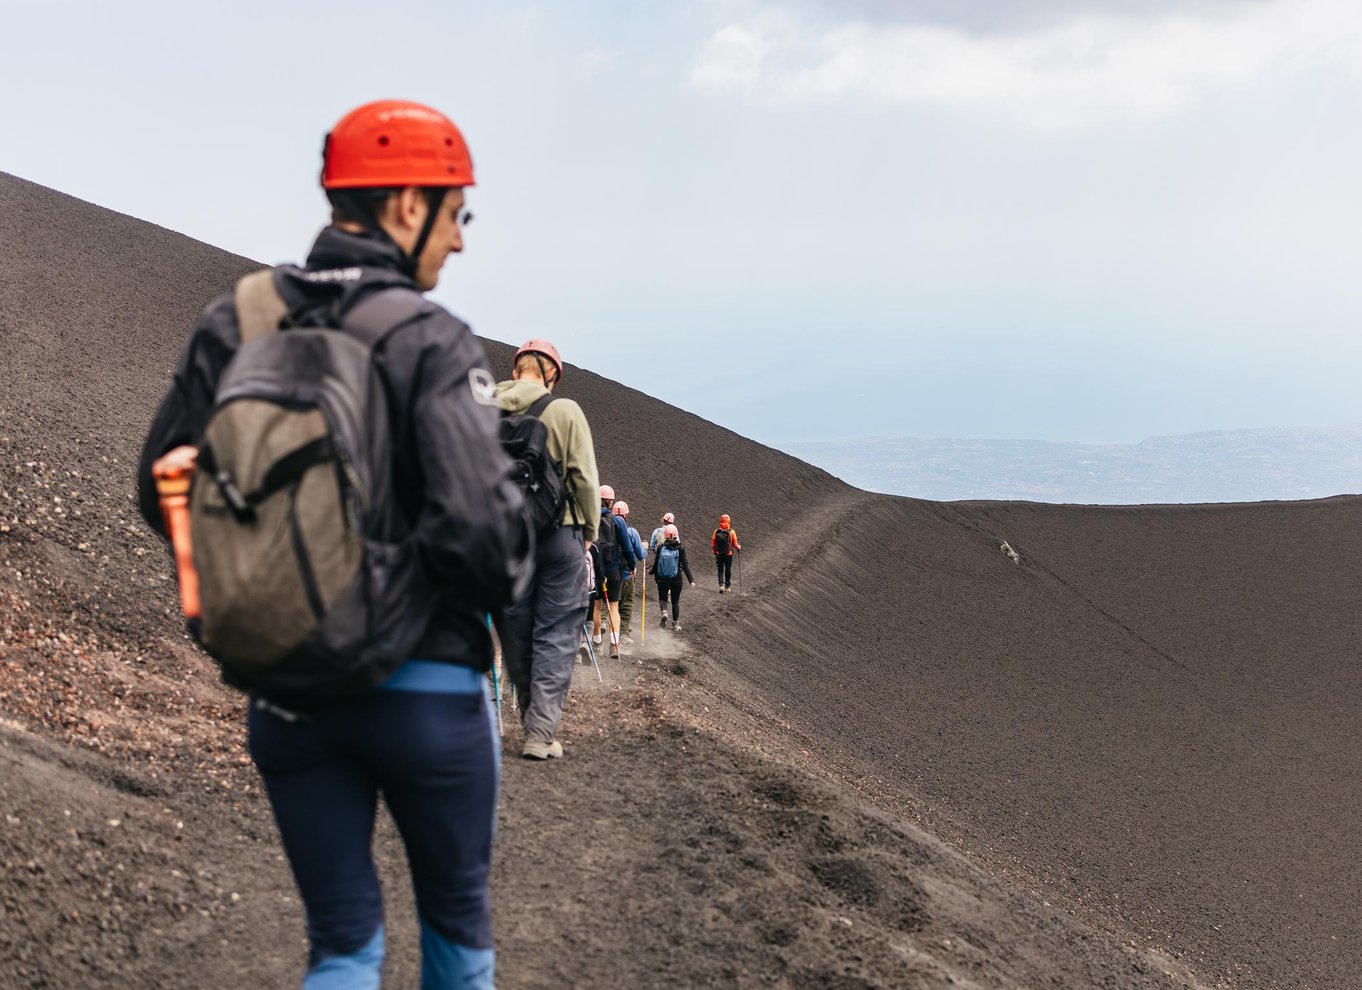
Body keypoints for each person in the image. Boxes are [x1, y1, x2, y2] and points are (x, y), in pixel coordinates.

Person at [136, 100, 529, 988]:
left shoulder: (235, 321)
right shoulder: (431, 339)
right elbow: (482, 542)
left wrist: (282, 575)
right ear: (404, 206)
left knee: (343, 947)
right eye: (456, 212)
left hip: (285, 691)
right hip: (428, 691)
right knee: (457, 943)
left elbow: (159, 488)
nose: (459, 240)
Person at [496, 338, 600, 759]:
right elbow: (584, 478)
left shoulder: (486, 404)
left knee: (517, 629)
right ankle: (539, 734)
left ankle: (527, 720)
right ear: (552, 374)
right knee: (556, 631)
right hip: (561, 535)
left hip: (505, 538)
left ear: (517, 367)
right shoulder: (564, 410)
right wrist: (589, 529)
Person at [592, 485, 636, 658]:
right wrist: (632, 564)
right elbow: (627, 547)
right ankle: (614, 645)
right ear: (610, 502)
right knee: (614, 607)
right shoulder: (617, 521)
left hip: (596, 570)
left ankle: (597, 644)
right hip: (614, 569)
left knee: (596, 606)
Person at [649, 524, 696, 632]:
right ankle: (675, 624)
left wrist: (652, 572)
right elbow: (685, 564)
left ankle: (664, 612)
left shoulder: (661, 547)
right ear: (676, 535)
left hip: (662, 578)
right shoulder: (681, 548)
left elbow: (656, 564)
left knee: (663, 598)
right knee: (675, 601)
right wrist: (691, 580)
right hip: (676, 579)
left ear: (665, 536)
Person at [612, 501, 647, 644]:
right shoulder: (632, 532)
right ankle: (624, 634)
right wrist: (644, 548)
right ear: (626, 515)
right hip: (627, 575)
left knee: (611, 604)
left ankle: (607, 632)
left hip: (610, 574)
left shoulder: (606, 531)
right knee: (626, 604)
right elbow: (641, 555)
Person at [712, 513, 742, 593]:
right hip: (729, 554)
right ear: (729, 521)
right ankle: (727, 587)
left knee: (720, 569)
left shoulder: (716, 531)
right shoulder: (732, 532)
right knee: (728, 569)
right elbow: (735, 545)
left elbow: (713, 544)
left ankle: (721, 585)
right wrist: (739, 547)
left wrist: (715, 552)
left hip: (719, 553)